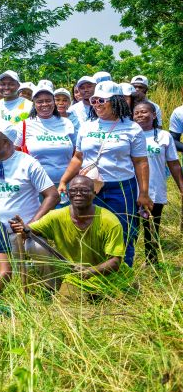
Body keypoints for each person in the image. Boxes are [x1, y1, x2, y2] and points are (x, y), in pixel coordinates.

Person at [58, 81, 150, 267]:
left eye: (101, 100)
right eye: (93, 101)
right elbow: (78, 157)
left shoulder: (132, 128)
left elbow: (140, 162)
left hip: (122, 187)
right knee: (90, 229)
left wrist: (144, 193)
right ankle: (94, 273)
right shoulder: (87, 127)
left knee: (123, 230)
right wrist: (64, 180)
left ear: (116, 101)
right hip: (91, 188)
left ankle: (123, 273)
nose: (96, 104)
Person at [10, 176, 133, 300]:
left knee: (125, 302)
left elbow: (115, 262)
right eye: (73, 191)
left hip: (109, 277)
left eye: (84, 190)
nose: (78, 194)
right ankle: (53, 290)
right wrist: (21, 227)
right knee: (65, 303)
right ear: (68, 194)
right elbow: (29, 232)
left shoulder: (109, 221)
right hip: (76, 278)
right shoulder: (56, 217)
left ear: (94, 194)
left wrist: (91, 271)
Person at [0, 121, 59, 242]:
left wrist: (31, 225)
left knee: (38, 250)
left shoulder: (28, 163)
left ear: (6, 143)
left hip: (27, 235)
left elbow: (53, 196)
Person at [133, 101, 183, 263]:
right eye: (137, 113)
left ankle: (151, 262)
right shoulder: (129, 135)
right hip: (132, 189)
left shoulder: (164, 136)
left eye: (144, 112)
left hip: (155, 189)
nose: (140, 115)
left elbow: (174, 164)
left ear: (154, 115)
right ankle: (129, 261)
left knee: (152, 227)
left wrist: (181, 187)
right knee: (131, 228)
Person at [14, 85, 76, 185]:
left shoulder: (67, 123)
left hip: (66, 185)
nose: (44, 104)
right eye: (39, 101)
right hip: (35, 186)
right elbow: (15, 153)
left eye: (48, 100)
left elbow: (77, 153)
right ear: (34, 104)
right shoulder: (25, 124)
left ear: (54, 102)